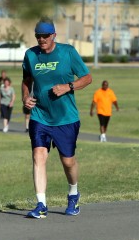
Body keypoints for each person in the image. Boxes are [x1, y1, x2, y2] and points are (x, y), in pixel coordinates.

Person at [22, 19, 92, 219]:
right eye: (38, 36)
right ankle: (41, 204)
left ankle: (73, 194)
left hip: (65, 118)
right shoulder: (30, 55)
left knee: (67, 161)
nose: (41, 39)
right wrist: (25, 97)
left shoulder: (68, 52)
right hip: (40, 116)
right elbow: (26, 80)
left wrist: (68, 86)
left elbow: (87, 78)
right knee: (38, 156)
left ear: (53, 35)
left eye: (45, 36)